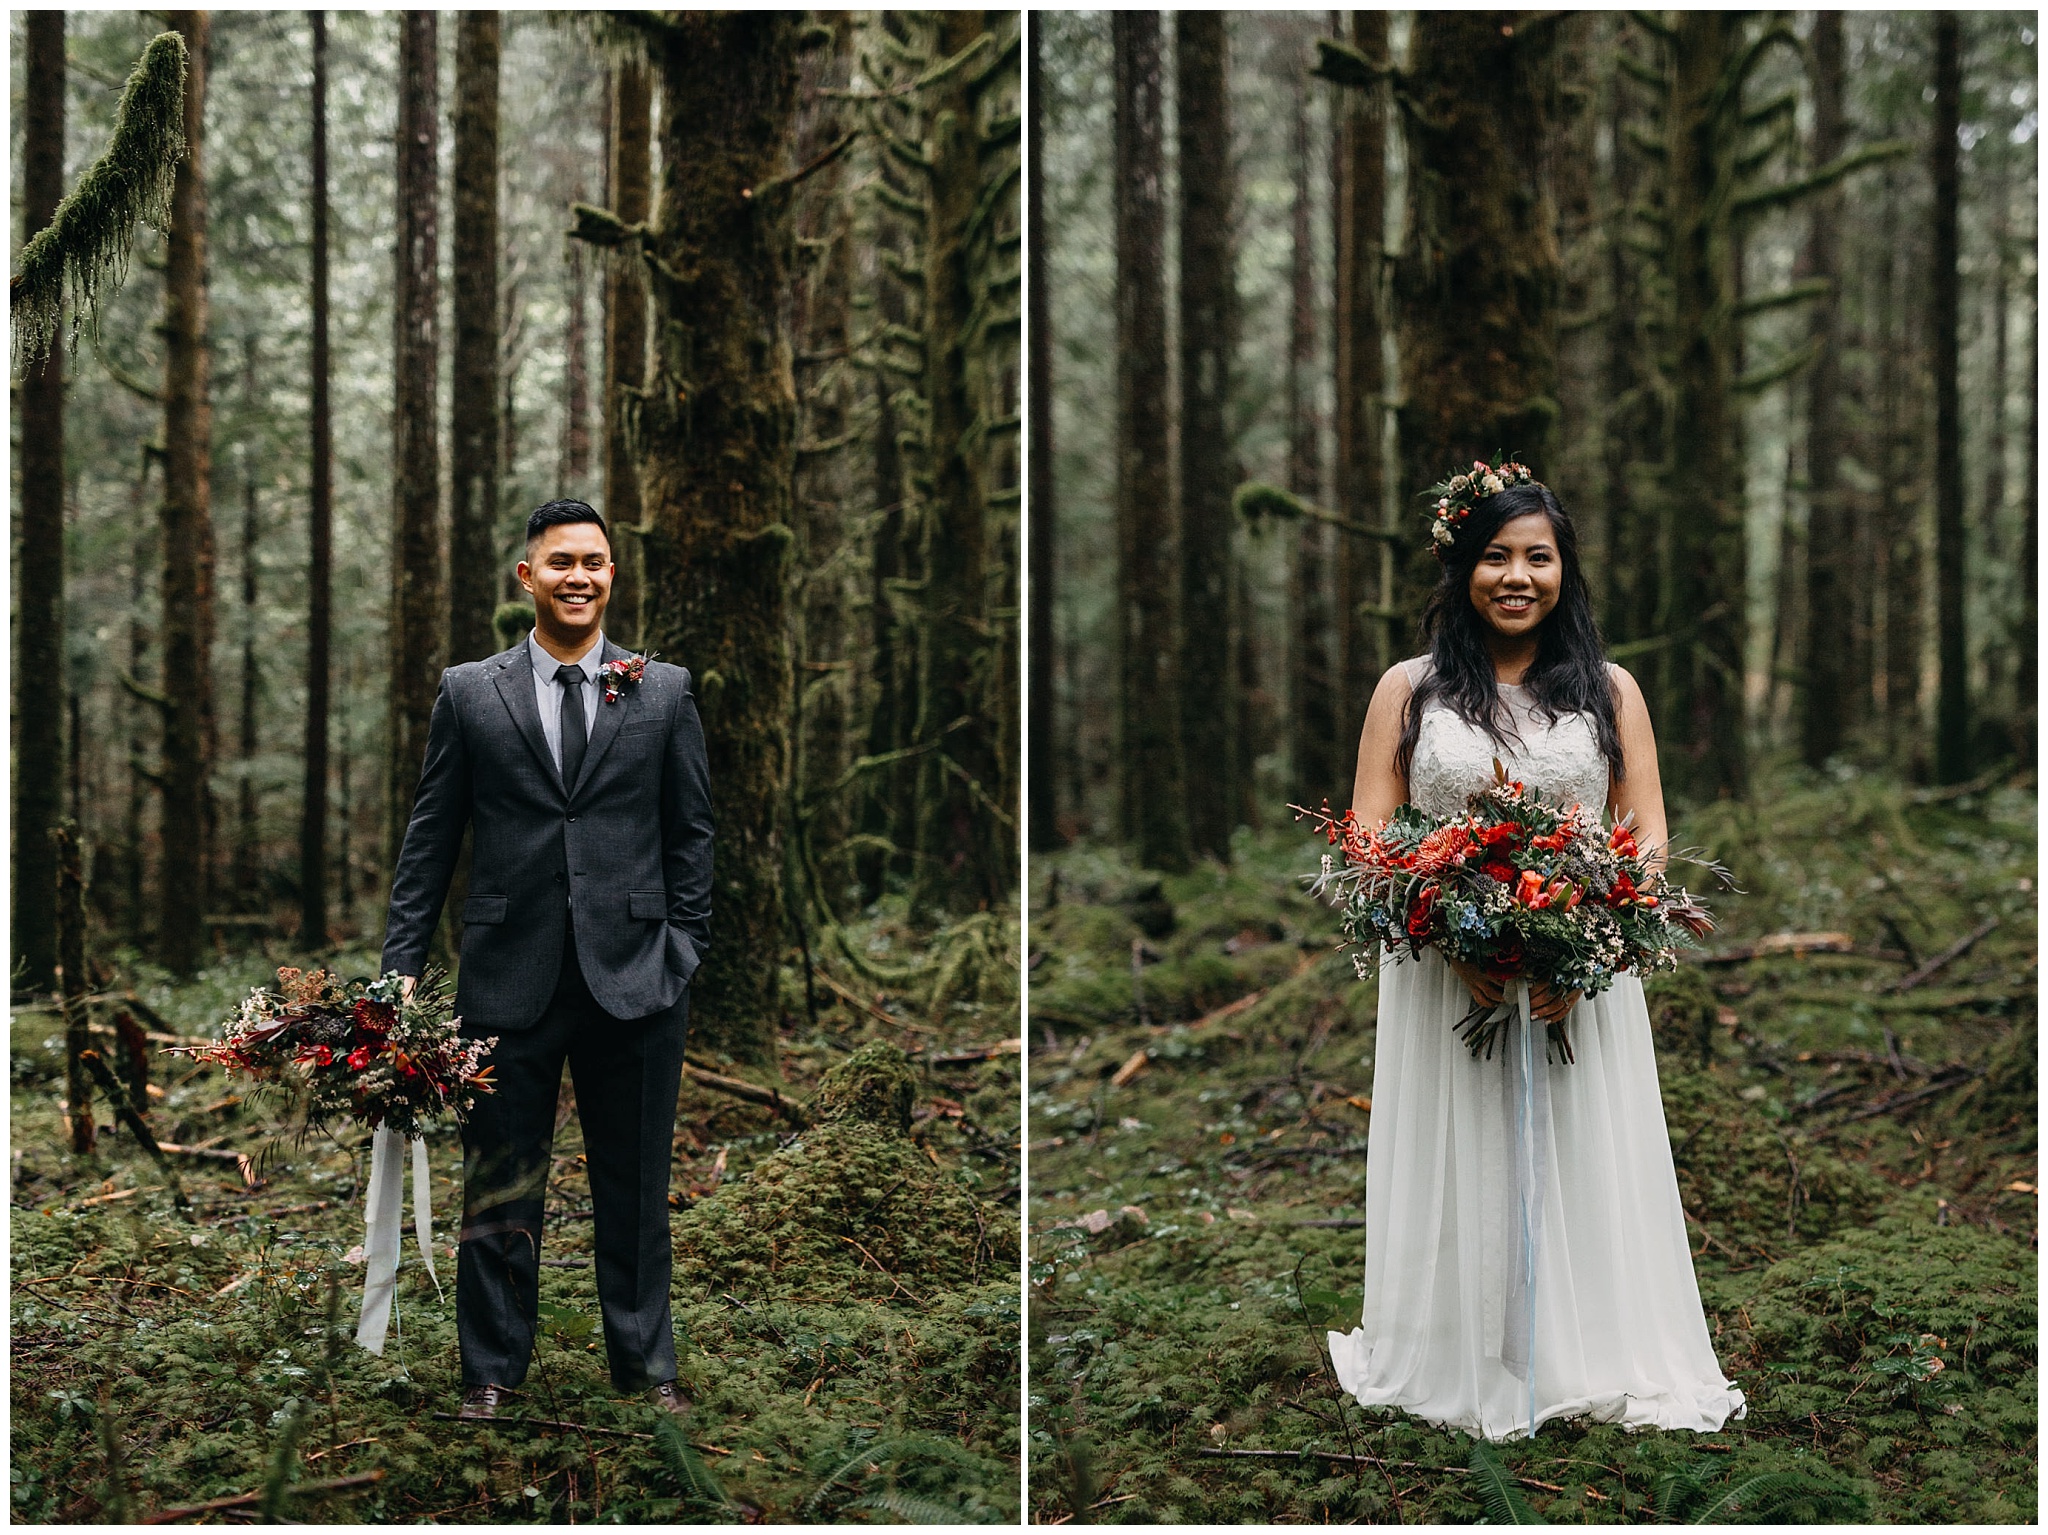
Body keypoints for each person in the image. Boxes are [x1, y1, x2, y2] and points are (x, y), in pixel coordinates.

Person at [1324, 464, 1744, 1440]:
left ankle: (1581, 1348)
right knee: (1458, 1141)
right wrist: (1438, 922)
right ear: (1459, 566)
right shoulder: (1408, 688)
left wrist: (1590, 934)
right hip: (1444, 971)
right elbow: (1368, 832)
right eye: (1495, 556)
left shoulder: (1608, 689)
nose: (1516, 576)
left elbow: (1640, 827)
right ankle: (1459, 1350)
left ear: (1564, 570)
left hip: (1577, 970)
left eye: (1537, 557)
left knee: (1577, 1147)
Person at [382, 498, 713, 1422]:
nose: (580, 576)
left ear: (613, 575)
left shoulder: (664, 689)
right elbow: (429, 840)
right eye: (561, 561)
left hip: (638, 976)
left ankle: (647, 1370)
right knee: (500, 1183)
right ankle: (491, 1374)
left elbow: (691, 833)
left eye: (596, 562)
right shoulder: (469, 690)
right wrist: (398, 966)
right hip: (505, 979)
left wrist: (681, 948)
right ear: (526, 577)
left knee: (636, 1187)